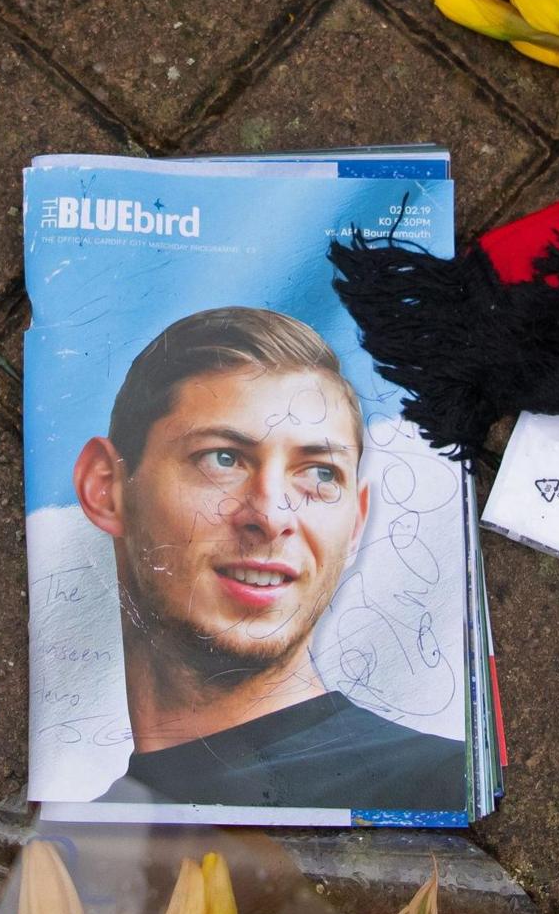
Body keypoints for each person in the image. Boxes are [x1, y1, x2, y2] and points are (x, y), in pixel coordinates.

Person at [71, 306, 466, 810]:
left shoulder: (442, 788)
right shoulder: (77, 839)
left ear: (356, 525)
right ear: (105, 488)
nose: (272, 515)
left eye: (321, 473)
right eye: (222, 458)